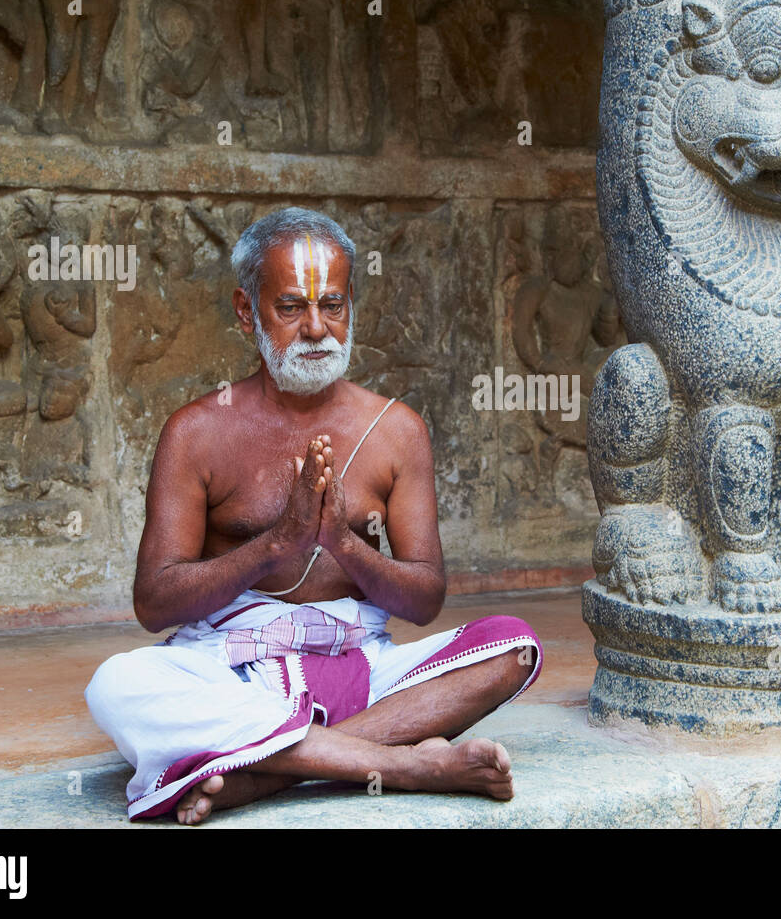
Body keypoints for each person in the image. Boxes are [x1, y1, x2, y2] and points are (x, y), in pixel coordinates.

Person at [85, 208, 542, 824]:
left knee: (512, 648)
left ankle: (264, 775)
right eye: (291, 307)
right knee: (117, 684)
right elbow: (154, 603)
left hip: (362, 666)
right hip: (230, 668)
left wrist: (343, 544)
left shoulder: (396, 431)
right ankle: (404, 764)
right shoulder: (195, 431)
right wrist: (274, 547)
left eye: (333, 305)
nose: (316, 329)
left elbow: (425, 598)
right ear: (248, 312)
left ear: (352, 303)